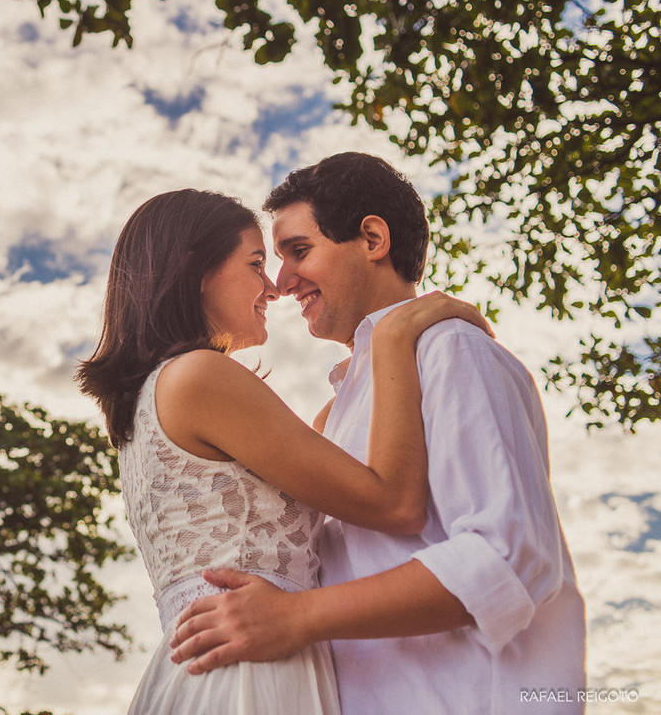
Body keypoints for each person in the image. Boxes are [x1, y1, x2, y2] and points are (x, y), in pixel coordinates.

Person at [168, 153, 586, 713]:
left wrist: (297, 618)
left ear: (371, 238)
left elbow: (508, 557)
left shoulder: (451, 350)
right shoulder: (341, 412)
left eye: (298, 251)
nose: (283, 281)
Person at [77, 188, 491, 714]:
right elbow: (394, 503)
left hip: (218, 665)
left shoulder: (155, 398)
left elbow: (323, 453)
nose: (273, 286)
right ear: (196, 270)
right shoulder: (199, 377)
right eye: (255, 263)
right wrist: (391, 337)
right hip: (250, 674)